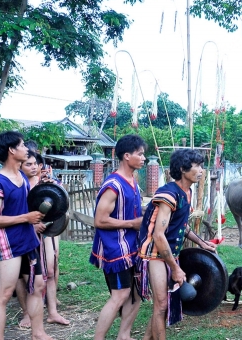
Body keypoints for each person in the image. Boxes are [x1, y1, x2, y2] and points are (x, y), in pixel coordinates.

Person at [137, 149, 217, 339]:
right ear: (182, 169)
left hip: (169, 252)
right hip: (154, 252)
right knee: (162, 304)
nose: (201, 170)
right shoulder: (169, 195)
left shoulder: (186, 193)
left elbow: (182, 225)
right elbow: (158, 235)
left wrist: (202, 243)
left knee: (161, 304)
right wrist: (175, 268)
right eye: (196, 166)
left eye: (201, 166)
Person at [0, 131, 51, 340]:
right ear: (12, 150)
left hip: (27, 241)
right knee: (3, 295)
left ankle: (38, 333)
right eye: (21, 145)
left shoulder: (20, 176)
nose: (26, 149)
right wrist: (25, 218)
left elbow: (25, 207)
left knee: (37, 286)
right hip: (7, 245)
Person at [90, 134, 146, 340]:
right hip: (115, 247)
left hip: (131, 245)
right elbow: (100, 220)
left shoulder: (132, 180)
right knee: (120, 295)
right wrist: (133, 223)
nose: (143, 158)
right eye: (139, 154)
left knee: (136, 292)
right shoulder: (113, 184)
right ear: (126, 156)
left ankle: (124, 335)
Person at [16, 151, 69, 329]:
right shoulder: (19, 186)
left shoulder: (49, 185)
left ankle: (52, 312)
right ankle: (26, 313)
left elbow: (60, 208)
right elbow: (14, 213)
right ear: (21, 166)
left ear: (41, 166)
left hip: (47, 232)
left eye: (35, 164)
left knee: (50, 270)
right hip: (23, 234)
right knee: (23, 275)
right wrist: (31, 226)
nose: (32, 167)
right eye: (27, 164)